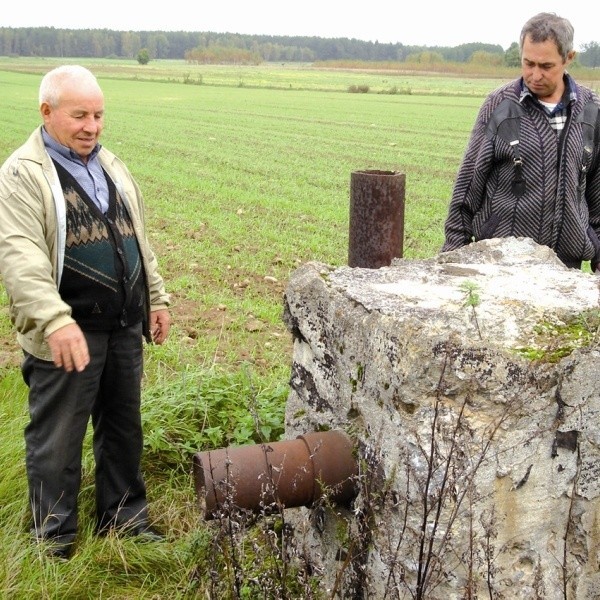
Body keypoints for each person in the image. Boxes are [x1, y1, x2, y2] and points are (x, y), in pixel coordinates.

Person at [0, 65, 171, 559]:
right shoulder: (23, 175)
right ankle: (52, 541)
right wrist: (55, 321)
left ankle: (125, 521)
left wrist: (155, 299)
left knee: (123, 427)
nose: (91, 126)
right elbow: (20, 258)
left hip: (122, 326)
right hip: (66, 333)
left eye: (98, 115)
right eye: (80, 115)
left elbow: (137, 239)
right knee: (58, 438)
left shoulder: (110, 164)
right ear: (47, 112)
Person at [442, 12, 600, 270]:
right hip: (500, 263)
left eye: (546, 66)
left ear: (568, 58)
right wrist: (453, 253)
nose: (535, 75)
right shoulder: (500, 106)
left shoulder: (592, 110)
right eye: (528, 63)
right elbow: (468, 183)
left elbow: (597, 189)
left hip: (566, 267)